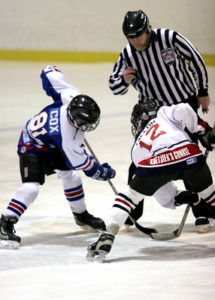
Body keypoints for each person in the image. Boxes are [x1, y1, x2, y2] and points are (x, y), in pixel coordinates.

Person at [109, 10, 212, 227]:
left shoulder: (169, 37)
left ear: (147, 30)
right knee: (141, 162)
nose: (135, 40)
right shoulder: (127, 53)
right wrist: (124, 80)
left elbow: (195, 60)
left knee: (188, 156)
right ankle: (130, 213)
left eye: (138, 35)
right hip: (154, 113)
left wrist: (202, 91)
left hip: (183, 106)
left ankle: (201, 211)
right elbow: (114, 86)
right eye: (130, 37)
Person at [0, 66, 116, 249]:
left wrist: (51, 70)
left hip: (51, 141)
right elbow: (86, 166)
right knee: (31, 188)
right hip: (32, 145)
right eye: (85, 123)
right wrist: (103, 172)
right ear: (76, 120)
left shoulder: (70, 96)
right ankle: (5, 222)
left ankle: (81, 215)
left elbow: (48, 74)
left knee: (71, 176)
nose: (89, 126)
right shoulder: (69, 138)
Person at [87, 100, 215, 262]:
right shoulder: (164, 113)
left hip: (159, 162)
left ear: (139, 120)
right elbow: (184, 109)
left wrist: (176, 198)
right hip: (190, 155)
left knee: (129, 196)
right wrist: (202, 130)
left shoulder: (136, 148)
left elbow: (163, 191)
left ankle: (108, 233)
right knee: (210, 195)